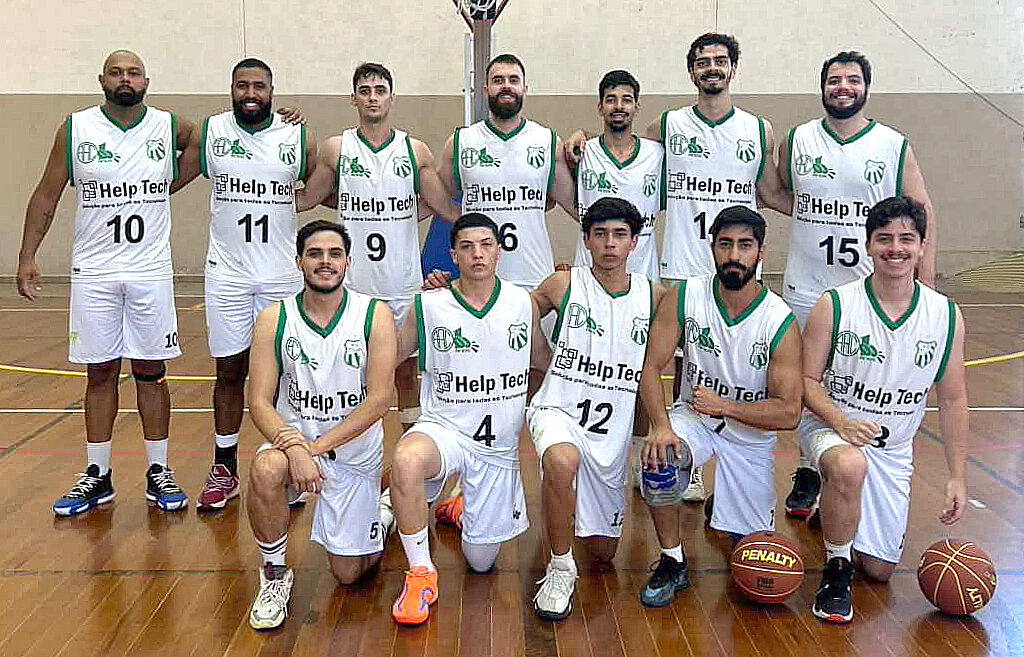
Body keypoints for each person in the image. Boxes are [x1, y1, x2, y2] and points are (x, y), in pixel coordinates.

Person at [569, 34, 792, 502]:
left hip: (734, 266)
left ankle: (707, 455)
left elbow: (772, 194)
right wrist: (582, 141)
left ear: (733, 68)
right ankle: (671, 443)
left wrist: (830, 208)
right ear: (691, 72)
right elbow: (622, 150)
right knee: (666, 361)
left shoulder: (759, 130)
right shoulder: (667, 127)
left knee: (717, 363)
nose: (712, 68)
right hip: (679, 262)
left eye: (720, 61)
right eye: (702, 62)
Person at [18, 50, 192, 515]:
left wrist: (174, 179)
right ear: (102, 80)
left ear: (147, 81)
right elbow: (46, 194)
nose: (125, 79)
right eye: (116, 72)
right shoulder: (76, 129)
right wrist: (27, 254)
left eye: (133, 72)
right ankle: (97, 473)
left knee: (152, 373)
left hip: (149, 271)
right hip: (94, 271)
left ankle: (159, 470)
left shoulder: (167, 125)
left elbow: (213, 137)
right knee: (99, 372)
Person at [780, 51, 937, 520]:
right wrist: (812, 216)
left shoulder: (893, 145)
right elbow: (773, 190)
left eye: (852, 80)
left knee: (850, 384)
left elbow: (923, 212)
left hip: (865, 295)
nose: (842, 87)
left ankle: (847, 471)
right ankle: (809, 467)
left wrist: (924, 287)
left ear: (867, 87)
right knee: (804, 383)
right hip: (807, 287)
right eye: (834, 80)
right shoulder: (798, 139)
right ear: (822, 87)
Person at [800, 196, 966, 624]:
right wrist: (840, 421)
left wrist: (956, 477)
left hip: (893, 449)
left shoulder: (945, 315)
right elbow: (805, 382)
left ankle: (834, 508)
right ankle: (836, 568)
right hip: (831, 427)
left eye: (906, 239)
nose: (896, 248)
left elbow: (952, 398)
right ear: (868, 244)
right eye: (884, 239)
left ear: (922, 246)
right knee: (849, 466)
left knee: (878, 571)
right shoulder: (834, 304)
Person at [636, 205, 802, 607]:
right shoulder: (686, 296)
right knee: (660, 461)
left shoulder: (778, 320)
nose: (734, 254)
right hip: (693, 418)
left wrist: (725, 405)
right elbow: (649, 366)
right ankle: (673, 562)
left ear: (760, 253)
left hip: (748, 435)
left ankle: (725, 507)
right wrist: (659, 425)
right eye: (725, 244)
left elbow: (789, 412)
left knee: (749, 558)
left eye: (745, 245)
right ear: (712, 248)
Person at [389, 213, 549, 625]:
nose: (477, 254)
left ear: (499, 249)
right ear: (453, 254)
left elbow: (543, 364)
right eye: (467, 246)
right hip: (444, 429)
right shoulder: (429, 304)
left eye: (485, 244)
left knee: (480, 563)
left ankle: (458, 509)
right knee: (406, 460)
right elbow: (389, 356)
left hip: (496, 449)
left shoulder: (522, 302)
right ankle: (421, 571)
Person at [172, 57, 316, 509]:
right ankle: (224, 467)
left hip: (280, 273)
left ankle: (289, 459)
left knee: (289, 373)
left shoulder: (297, 136)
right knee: (230, 371)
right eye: (242, 85)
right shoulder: (212, 133)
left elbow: (322, 186)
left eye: (259, 86)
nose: (250, 93)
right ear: (231, 88)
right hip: (228, 274)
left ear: (272, 90)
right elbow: (166, 180)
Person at [245, 220, 397, 630]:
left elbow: (380, 399)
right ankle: (275, 575)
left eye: (334, 254)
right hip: (296, 445)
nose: (325, 262)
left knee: (349, 574)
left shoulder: (374, 314)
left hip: (352, 454)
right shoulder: (275, 318)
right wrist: (293, 447)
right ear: (299, 262)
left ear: (348, 261)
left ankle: (382, 516)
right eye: (315, 254)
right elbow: (258, 400)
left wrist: (314, 448)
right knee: (265, 469)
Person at [298, 62, 458, 432]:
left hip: (401, 283)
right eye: (365, 90)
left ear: (392, 98)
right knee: (348, 375)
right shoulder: (336, 149)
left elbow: (445, 207)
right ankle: (348, 453)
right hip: (353, 285)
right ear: (353, 98)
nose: (373, 97)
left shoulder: (414, 150)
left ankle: (409, 457)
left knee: (405, 376)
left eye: (380, 90)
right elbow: (308, 198)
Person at [528, 197, 663, 620]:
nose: (609, 244)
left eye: (619, 235)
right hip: (558, 411)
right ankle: (559, 567)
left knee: (604, 554)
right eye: (600, 234)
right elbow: (515, 311)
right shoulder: (563, 285)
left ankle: (576, 528)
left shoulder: (654, 296)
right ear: (585, 240)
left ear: (634, 242)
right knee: (561, 462)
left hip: (611, 434)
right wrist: (543, 356)